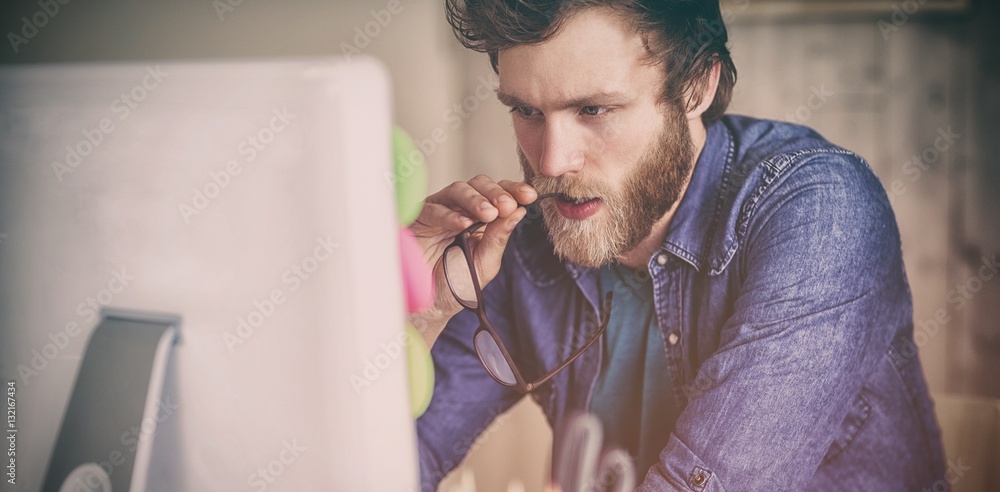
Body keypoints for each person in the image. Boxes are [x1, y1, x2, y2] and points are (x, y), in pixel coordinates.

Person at [409, 1, 946, 490]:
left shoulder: (822, 208)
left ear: (696, 87)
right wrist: (422, 315)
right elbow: (388, 464)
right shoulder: (522, 250)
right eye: (526, 112)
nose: (550, 162)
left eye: (593, 110)